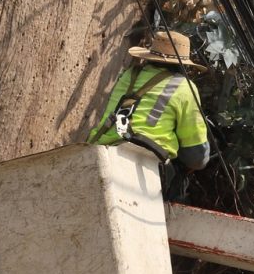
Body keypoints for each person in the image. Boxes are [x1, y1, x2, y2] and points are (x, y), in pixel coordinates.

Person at [89, 30, 209, 185]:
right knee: (178, 184)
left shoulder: (130, 74)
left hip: (102, 149)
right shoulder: (184, 88)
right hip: (146, 163)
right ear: (183, 64)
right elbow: (196, 158)